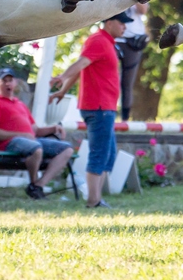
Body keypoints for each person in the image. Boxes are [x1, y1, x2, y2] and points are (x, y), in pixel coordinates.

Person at [49, 12, 128, 208]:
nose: (125, 26)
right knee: (99, 154)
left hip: (105, 107)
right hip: (99, 107)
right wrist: (62, 77)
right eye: (122, 22)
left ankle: (97, 199)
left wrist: (63, 91)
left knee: (108, 155)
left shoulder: (107, 42)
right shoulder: (98, 40)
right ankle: (93, 201)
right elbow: (81, 64)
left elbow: (82, 69)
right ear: (109, 22)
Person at [0, 67, 74, 200]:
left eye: (10, 80)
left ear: (15, 83)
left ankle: (38, 186)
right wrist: (19, 135)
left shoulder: (20, 104)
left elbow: (35, 131)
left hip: (32, 141)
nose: (7, 83)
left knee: (67, 149)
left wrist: (53, 128)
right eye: (4, 81)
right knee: (36, 149)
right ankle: (33, 183)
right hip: (10, 143)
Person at [114, 2, 149, 121]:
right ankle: (108, 112)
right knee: (111, 78)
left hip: (133, 42)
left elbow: (143, 10)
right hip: (115, 39)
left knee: (127, 83)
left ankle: (125, 118)